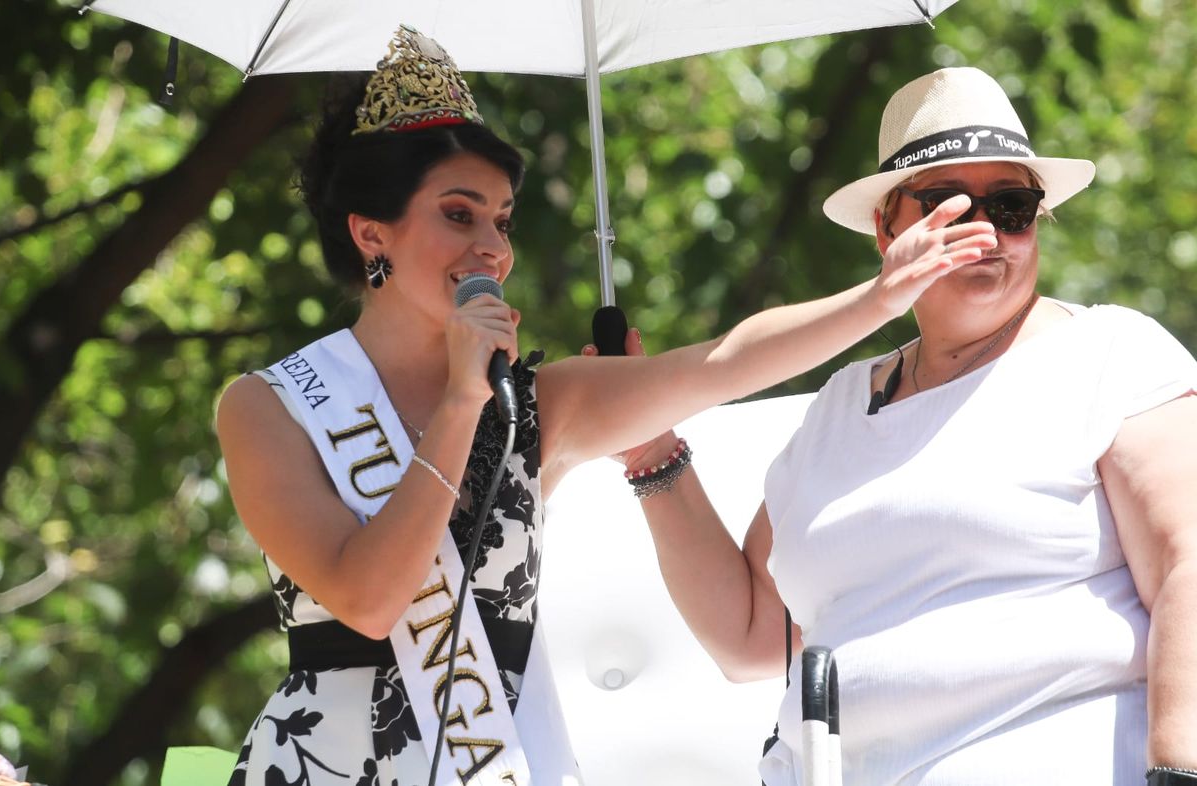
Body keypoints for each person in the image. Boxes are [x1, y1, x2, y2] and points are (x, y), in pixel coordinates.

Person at [213, 28, 994, 786]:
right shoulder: (271, 408)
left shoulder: (534, 406)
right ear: (370, 234)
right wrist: (459, 403)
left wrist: (879, 297)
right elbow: (370, 601)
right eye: (459, 213)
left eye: (502, 220)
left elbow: (721, 365)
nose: (493, 248)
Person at [614, 66, 1197, 785]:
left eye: (1011, 206)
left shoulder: (1110, 353)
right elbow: (752, 636)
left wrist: (1178, 773)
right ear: (885, 228)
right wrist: (652, 451)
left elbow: (1187, 565)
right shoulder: (841, 404)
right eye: (948, 204)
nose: (983, 231)